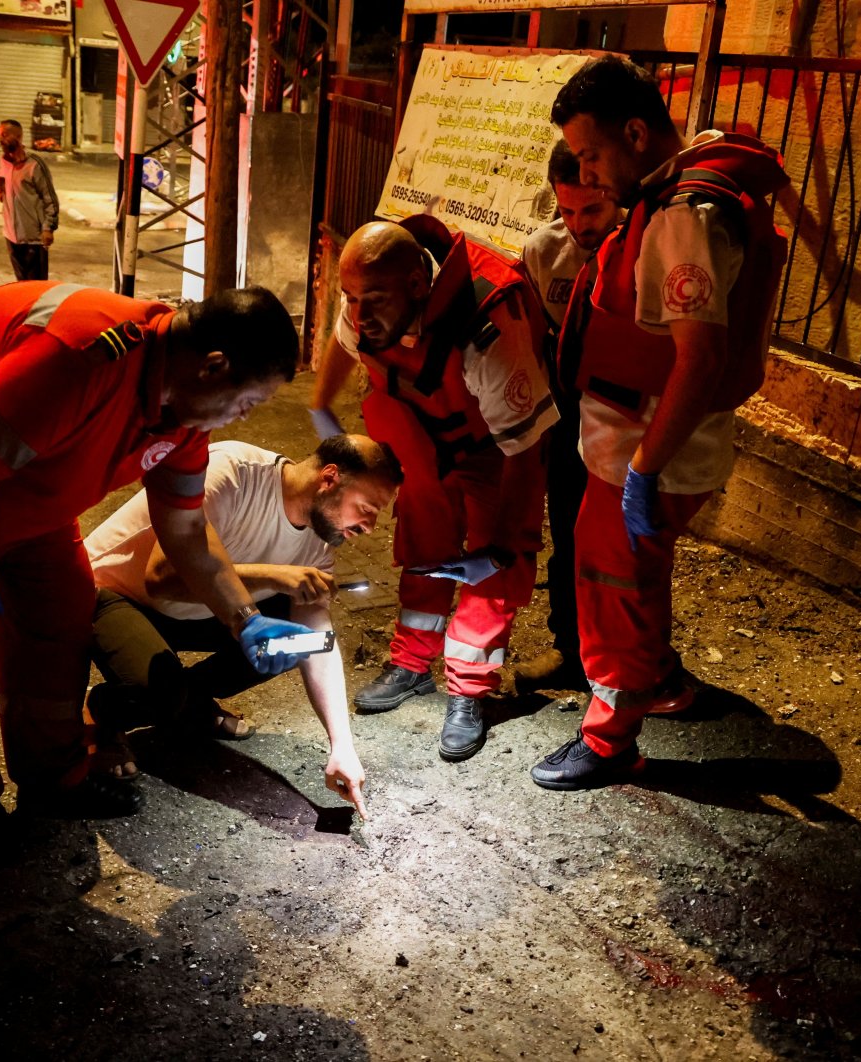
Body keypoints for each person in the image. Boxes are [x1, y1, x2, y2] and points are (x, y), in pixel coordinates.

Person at [0, 280, 312, 847]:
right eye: (249, 402)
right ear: (213, 367)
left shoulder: (180, 417)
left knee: (59, 614)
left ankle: (53, 777)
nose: (244, 420)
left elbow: (186, 532)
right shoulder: (78, 357)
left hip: (15, 475)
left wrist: (243, 617)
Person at [530, 56, 789, 790]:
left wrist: (642, 471)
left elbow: (699, 361)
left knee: (612, 591)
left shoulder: (683, 218)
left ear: (636, 133)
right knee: (634, 582)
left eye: (590, 154)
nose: (588, 172)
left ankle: (610, 740)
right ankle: (662, 683)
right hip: (632, 451)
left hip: (644, 457)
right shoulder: (677, 183)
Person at [310, 216, 556, 763]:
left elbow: (524, 449)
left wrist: (501, 547)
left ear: (418, 286)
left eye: (369, 300)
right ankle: (413, 661)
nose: (357, 314)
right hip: (424, 437)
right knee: (424, 539)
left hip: (496, 446)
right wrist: (322, 414)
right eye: (350, 298)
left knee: (495, 567)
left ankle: (469, 688)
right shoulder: (373, 301)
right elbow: (344, 344)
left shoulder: (491, 322)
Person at [86, 434, 403, 816]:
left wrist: (342, 746)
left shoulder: (320, 540)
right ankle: (105, 713)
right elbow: (162, 578)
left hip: (195, 611)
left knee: (294, 641)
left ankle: (191, 702)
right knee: (160, 694)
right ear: (330, 478)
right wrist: (274, 577)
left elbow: (319, 642)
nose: (369, 526)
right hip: (115, 595)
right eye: (366, 508)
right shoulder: (233, 472)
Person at [511, 139, 623, 693]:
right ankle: (572, 652)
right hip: (569, 416)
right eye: (568, 210)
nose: (580, 225)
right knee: (569, 534)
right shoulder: (542, 252)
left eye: (593, 210)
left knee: (628, 543)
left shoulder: (645, 248)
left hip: (628, 418)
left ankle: (631, 660)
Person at [0, 119, 58, 281]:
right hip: (11, 236)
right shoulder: (3, 162)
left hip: (33, 237)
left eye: (5, 135)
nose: (1, 139)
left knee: (36, 288)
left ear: (18, 137)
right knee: (21, 284)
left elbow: (50, 198)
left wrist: (48, 228)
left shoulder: (35, 164)